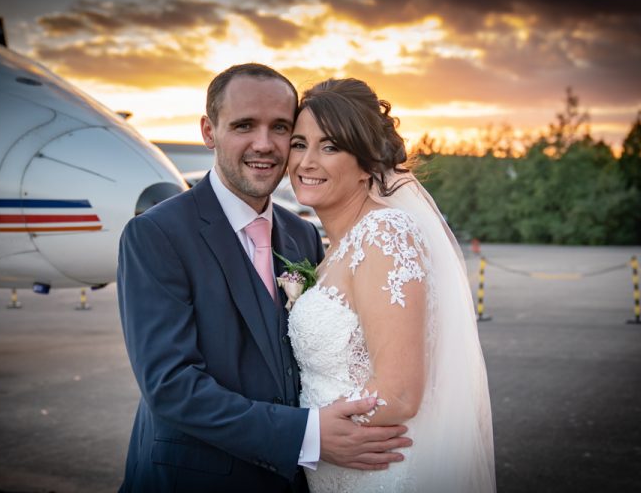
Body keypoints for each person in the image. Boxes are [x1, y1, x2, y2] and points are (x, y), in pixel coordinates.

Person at [117, 64, 412, 493]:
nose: (264, 144)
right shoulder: (156, 234)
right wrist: (306, 435)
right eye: (244, 125)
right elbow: (171, 385)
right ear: (208, 131)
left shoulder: (302, 234)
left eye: (280, 128)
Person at [286, 78, 497, 492]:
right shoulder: (334, 247)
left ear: (367, 163)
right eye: (298, 143)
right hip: (334, 470)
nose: (307, 161)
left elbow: (399, 394)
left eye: (330, 147)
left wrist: (307, 433)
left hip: (377, 474)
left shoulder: (383, 235)